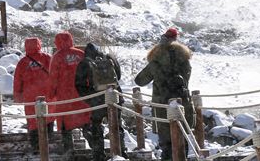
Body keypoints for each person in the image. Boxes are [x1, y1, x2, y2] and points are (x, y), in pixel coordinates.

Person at [135, 28, 194, 161]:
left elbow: (139, 81)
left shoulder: (156, 59)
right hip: (182, 104)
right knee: (182, 139)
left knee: (166, 143)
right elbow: (186, 80)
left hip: (162, 105)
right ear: (176, 39)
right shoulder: (184, 58)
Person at [75, 43, 127, 160]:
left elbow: (79, 85)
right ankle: (121, 152)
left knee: (96, 127)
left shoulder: (85, 63)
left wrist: (91, 99)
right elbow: (117, 76)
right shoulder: (110, 58)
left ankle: (99, 155)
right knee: (116, 125)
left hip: (98, 100)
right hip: (115, 97)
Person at [48, 31, 90, 159]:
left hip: (65, 98)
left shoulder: (57, 57)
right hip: (82, 95)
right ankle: (96, 149)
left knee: (66, 127)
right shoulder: (81, 54)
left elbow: (53, 78)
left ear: (58, 42)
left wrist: (51, 94)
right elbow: (90, 73)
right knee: (86, 123)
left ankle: (69, 153)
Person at [13, 37, 55, 153]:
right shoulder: (47, 58)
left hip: (31, 97)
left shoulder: (23, 62)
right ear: (39, 45)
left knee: (33, 121)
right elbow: (55, 74)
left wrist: (17, 96)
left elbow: (17, 80)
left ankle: (36, 146)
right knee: (48, 118)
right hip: (48, 95)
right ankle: (48, 144)